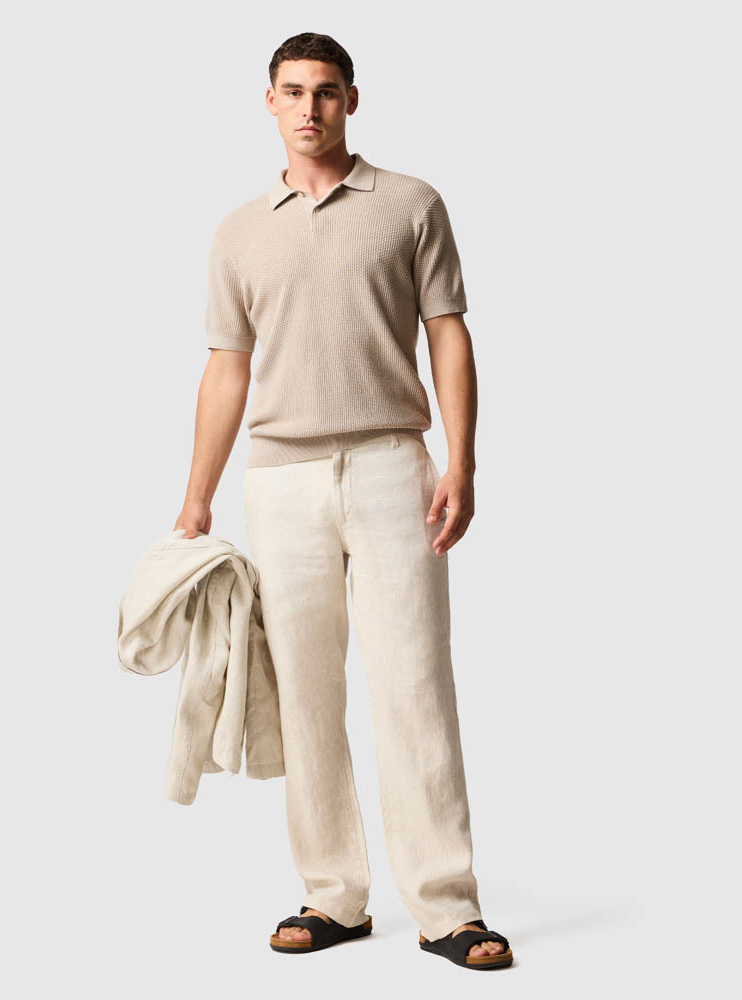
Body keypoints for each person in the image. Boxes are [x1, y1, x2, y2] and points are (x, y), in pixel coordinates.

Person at [174, 31, 513, 972]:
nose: (309, 108)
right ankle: (333, 896)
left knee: (414, 683)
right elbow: (226, 367)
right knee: (306, 693)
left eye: (325, 91)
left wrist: (460, 462)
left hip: (391, 465)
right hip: (279, 479)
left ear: (351, 100)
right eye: (292, 91)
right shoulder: (238, 231)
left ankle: (447, 907)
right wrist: (195, 499)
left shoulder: (409, 204)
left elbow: (447, 333)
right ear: (269, 102)